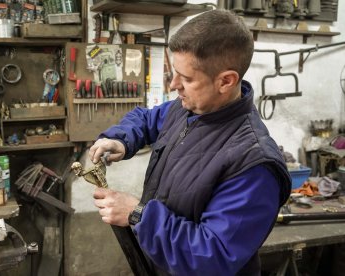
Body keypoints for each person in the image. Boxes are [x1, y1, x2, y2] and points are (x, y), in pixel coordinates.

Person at [89, 9, 291, 276]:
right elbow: (147, 119)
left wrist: (138, 215)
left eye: (186, 78)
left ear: (226, 81)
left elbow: (214, 257)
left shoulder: (253, 164)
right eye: (175, 73)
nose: (174, 85)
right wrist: (121, 139)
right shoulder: (188, 109)